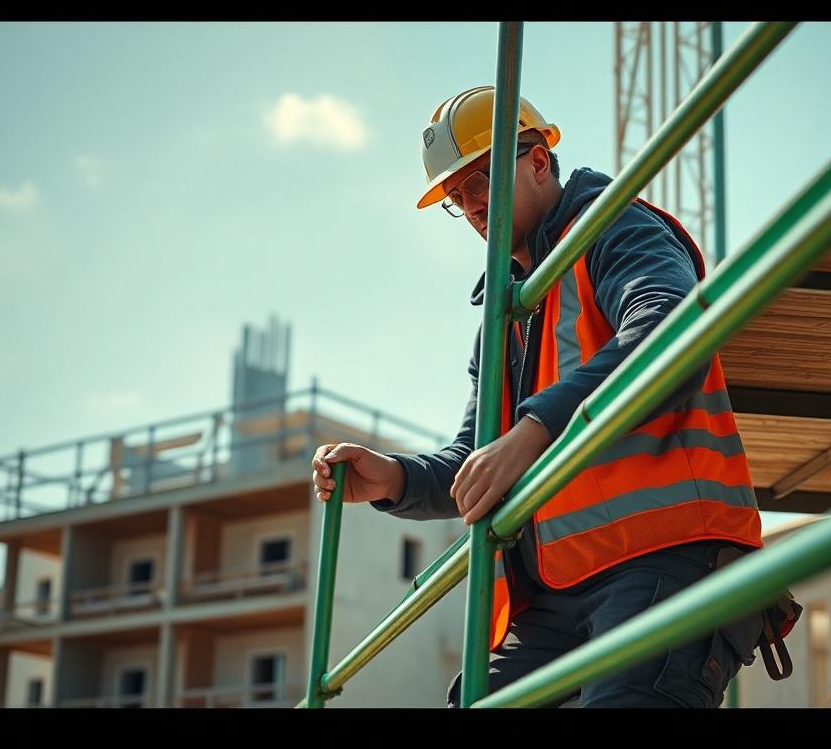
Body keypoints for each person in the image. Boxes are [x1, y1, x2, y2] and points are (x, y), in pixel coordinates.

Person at [311, 85, 765, 708]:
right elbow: (478, 458)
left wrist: (533, 432)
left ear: (538, 161)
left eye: (481, 180)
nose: (471, 205)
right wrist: (392, 479)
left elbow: (672, 326)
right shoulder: (504, 315)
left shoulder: (612, 227)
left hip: (666, 557)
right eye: (456, 195)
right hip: (560, 591)